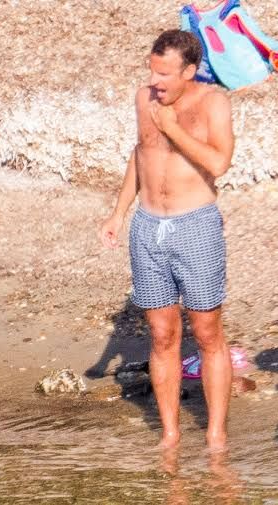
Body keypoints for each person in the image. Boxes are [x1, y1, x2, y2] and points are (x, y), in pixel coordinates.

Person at [100, 29, 235, 451]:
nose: (153, 81)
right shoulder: (145, 99)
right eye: (151, 71)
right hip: (148, 227)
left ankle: (215, 435)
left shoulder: (213, 103)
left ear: (189, 71)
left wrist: (173, 129)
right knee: (161, 335)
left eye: (163, 74)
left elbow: (220, 162)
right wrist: (119, 213)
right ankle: (170, 436)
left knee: (207, 332)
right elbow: (140, 153)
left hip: (195, 226)